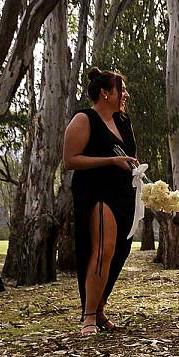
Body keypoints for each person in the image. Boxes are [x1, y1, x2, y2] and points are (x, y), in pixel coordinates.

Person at [63, 68, 139, 336]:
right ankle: (88, 317)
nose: (126, 94)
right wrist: (110, 161)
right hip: (96, 192)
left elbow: (131, 157)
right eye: (122, 89)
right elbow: (70, 160)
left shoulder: (123, 121)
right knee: (102, 250)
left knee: (119, 252)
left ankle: (100, 309)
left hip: (123, 193)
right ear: (105, 93)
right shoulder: (85, 119)